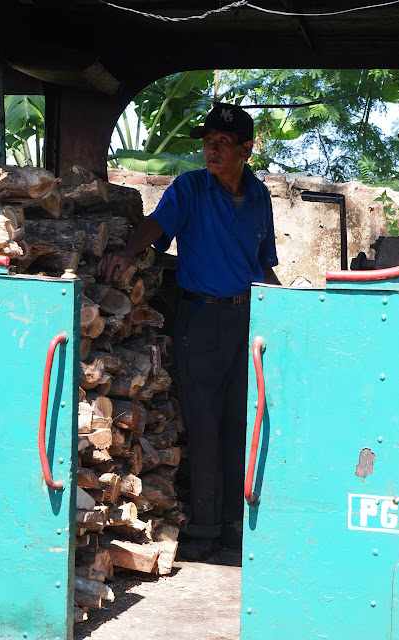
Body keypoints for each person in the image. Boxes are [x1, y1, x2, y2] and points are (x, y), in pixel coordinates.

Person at [97, 102, 281, 560]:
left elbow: (265, 267)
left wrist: (290, 312)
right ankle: (203, 534)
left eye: (222, 143)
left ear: (246, 149)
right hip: (199, 319)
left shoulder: (260, 197)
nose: (211, 150)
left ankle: (238, 533)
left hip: (246, 319)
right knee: (203, 425)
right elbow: (156, 226)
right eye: (207, 142)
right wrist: (125, 254)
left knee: (240, 424)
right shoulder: (191, 188)